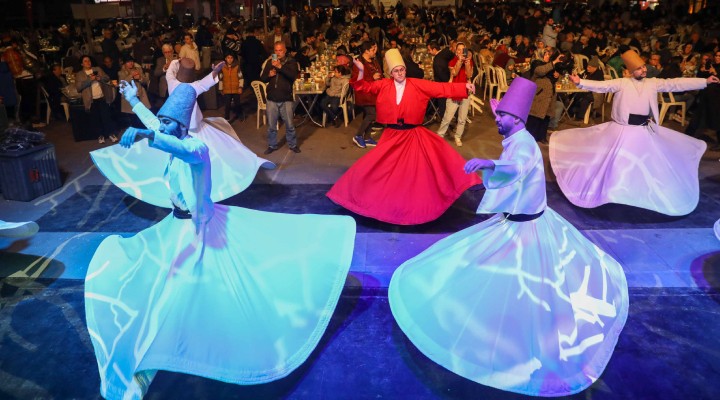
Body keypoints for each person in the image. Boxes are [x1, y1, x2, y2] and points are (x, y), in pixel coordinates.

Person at [85, 82, 356, 400]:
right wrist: (133, 100)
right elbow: (157, 127)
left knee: (185, 294)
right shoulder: (168, 133)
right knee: (163, 291)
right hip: (176, 228)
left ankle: (157, 360)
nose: (163, 127)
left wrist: (148, 135)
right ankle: (149, 361)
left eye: (170, 124)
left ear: (183, 127)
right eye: (163, 122)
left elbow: (172, 144)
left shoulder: (197, 150)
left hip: (199, 232)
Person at [388, 78, 629, 396]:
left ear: (515, 119)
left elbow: (516, 167)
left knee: (530, 282)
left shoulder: (525, 144)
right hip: (518, 220)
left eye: (501, 115)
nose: (496, 120)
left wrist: (489, 163)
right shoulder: (515, 138)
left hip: (526, 226)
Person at [549, 50, 720, 216]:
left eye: (644, 66)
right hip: (622, 131)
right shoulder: (622, 83)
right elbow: (602, 86)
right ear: (630, 71)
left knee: (646, 165)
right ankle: (612, 195)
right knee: (615, 165)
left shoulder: (652, 83)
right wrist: (580, 82)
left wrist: (704, 81)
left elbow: (676, 83)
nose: (643, 70)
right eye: (639, 68)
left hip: (643, 131)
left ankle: (640, 195)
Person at [326, 49, 482, 225]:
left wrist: (463, 87)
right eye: (396, 71)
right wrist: (361, 71)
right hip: (392, 135)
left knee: (418, 171)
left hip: (412, 134)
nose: (400, 73)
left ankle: (414, 208)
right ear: (391, 73)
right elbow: (363, 87)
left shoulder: (417, 84)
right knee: (378, 168)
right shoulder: (384, 85)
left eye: (402, 70)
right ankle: (368, 199)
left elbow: (440, 88)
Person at [259, 42, 300, 154]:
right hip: (272, 98)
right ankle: (272, 145)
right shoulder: (270, 62)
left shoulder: (291, 62)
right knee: (271, 126)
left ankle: (293, 145)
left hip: (286, 98)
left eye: (280, 50)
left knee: (290, 125)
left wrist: (280, 67)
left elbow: (292, 76)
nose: (278, 53)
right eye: (276, 50)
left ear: (285, 50)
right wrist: (269, 75)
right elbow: (263, 78)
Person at [436, 42, 474, 147]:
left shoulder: (469, 61)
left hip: (465, 91)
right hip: (454, 91)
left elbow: (469, 75)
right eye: (459, 49)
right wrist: (459, 61)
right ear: (456, 51)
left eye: (463, 49)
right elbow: (454, 73)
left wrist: (467, 64)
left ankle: (458, 137)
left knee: (462, 118)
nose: (461, 51)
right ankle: (440, 135)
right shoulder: (452, 61)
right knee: (447, 117)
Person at [75, 55, 117, 144]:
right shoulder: (79, 74)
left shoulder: (97, 69)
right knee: (96, 119)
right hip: (91, 100)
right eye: (85, 61)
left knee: (106, 117)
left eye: (89, 60)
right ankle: (100, 136)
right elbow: (78, 88)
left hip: (102, 97)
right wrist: (89, 80)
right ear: (82, 64)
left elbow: (107, 78)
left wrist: (99, 78)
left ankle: (111, 134)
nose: (88, 62)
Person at [351, 41, 382, 148]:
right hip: (365, 94)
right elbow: (358, 80)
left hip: (374, 92)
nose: (374, 52)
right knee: (372, 114)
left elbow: (379, 72)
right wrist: (372, 78)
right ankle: (358, 135)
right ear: (366, 51)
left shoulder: (373, 61)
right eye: (373, 50)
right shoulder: (359, 63)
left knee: (370, 114)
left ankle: (367, 137)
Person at [118, 57, 150, 128]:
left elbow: (145, 81)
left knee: (143, 116)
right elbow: (122, 84)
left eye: (132, 61)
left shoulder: (138, 69)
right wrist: (131, 76)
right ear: (124, 64)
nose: (131, 63)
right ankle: (136, 132)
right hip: (130, 97)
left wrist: (140, 78)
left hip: (140, 95)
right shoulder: (121, 72)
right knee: (133, 117)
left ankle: (143, 131)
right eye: (128, 62)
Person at [220, 53, 245, 123]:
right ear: (225, 58)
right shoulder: (222, 67)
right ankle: (227, 118)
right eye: (228, 58)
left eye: (231, 58)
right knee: (227, 105)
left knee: (237, 104)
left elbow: (241, 78)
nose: (230, 59)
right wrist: (221, 89)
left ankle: (240, 115)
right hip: (227, 90)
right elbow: (221, 79)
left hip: (236, 89)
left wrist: (240, 87)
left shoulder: (237, 67)